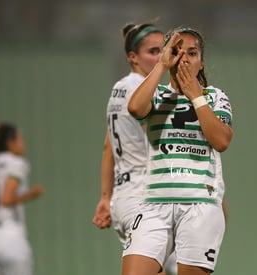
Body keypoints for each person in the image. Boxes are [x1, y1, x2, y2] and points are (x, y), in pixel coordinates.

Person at [124, 27, 233, 275]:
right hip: (153, 204)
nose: (183, 58)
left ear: (201, 63)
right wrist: (160, 66)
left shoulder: (214, 97)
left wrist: (195, 95)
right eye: (176, 52)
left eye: (192, 53)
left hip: (200, 204)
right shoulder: (157, 94)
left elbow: (222, 141)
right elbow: (135, 108)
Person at [92, 22, 177, 274]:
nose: (162, 58)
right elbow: (161, 141)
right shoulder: (143, 91)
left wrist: (106, 198)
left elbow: (108, 147)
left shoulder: (119, 88)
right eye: (153, 52)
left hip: (124, 197)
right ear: (132, 57)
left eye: (164, 51)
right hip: (146, 196)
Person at [0, 122, 43, 275]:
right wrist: (31, 194)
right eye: (20, 138)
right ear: (10, 141)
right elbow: (6, 198)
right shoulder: (16, 163)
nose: (23, 143)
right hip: (8, 237)